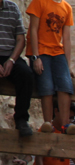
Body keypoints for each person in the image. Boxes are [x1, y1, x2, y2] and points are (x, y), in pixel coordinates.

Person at [26, 0, 73, 130]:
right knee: (46, 85)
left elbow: (67, 38)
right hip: (41, 51)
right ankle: (48, 124)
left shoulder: (67, 7)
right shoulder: (39, 2)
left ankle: (65, 126)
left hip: (58, 52)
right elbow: (33, 29)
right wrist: (35, 57)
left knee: (65, 85)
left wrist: (68, 65)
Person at [0, 0, 36, 136]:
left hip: (10, 55)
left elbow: (21, 39)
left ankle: (21, 119)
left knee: (26, 74)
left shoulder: (12, 8)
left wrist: (12, 60)